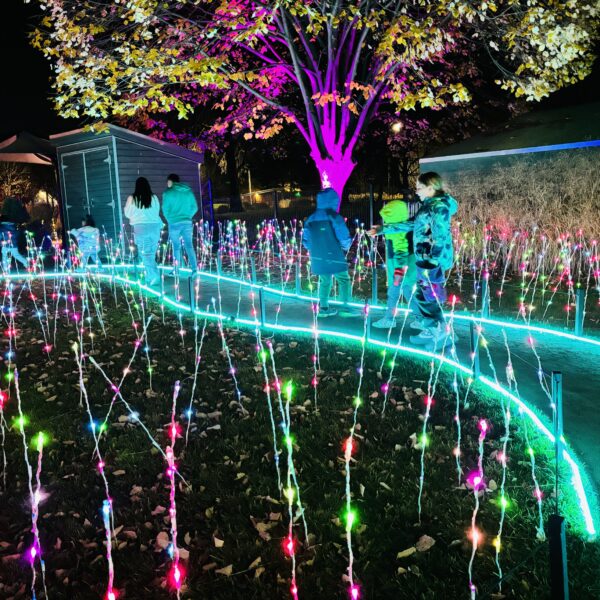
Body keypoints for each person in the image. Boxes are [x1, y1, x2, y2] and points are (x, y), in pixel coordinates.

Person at [408, 172, 458, 349]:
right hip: (426, 257)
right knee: (425, 294)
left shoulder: (438, 207)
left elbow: (441, 233)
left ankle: (440, 332)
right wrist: (384, 229)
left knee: (427, 295)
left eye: (419, 187)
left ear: (430, 188)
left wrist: (434, 259)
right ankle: (436, 329)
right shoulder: (430, 206)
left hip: (430, 260)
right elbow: (417, 226)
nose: (417, 191)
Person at [369, 193, 420, 328]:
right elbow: (388, 230)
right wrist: (378, 230)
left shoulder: (398, 234)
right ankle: (420, 319)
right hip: (408, 271)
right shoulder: (402, 227)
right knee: (409, 294)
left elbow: (401, 252)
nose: (384, 221)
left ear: (393, 218)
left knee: (393, 294)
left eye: (386, 218)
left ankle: (389, 319)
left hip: (400, 271)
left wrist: (398, 274)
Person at [302, 188, 352, 317]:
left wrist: (314, 249)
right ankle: (346, 307)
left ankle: (323, 308)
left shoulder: (310, 219)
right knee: (343, 279)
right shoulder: (334, 217)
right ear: (334, 201)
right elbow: (343, 236)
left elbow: (306, 241)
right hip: (334, 254)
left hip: (318, 256)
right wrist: (346, 246)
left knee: (325, 281)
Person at [124, 177, 163, 286]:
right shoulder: (154, 197)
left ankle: (154, 276)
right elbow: (157, 211)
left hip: (141, 228)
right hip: (154, 227)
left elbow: (127, 213)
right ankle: (150, 276)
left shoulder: (132, 198)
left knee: (146, 254)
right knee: (150, 253)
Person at [162, 173, 198, 274]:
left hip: (174, 223)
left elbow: (165, 209)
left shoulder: (167, 193)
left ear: (171, 181)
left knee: (176, 246)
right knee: (189, 246)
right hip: (187, 222)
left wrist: (170, 219)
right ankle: (195, 269)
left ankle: (176, 269)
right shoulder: (188, 191)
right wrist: (188, 216)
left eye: (168, 181)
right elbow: (194, 207)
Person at [0, 196, 29, 272]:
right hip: (13, 244)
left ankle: (6, 269)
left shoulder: (2, 226)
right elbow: (17, 234)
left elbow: (0, 235)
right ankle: (26, 263)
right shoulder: (14, 226)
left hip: (5, 244)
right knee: (16, 255)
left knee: (4, 255)